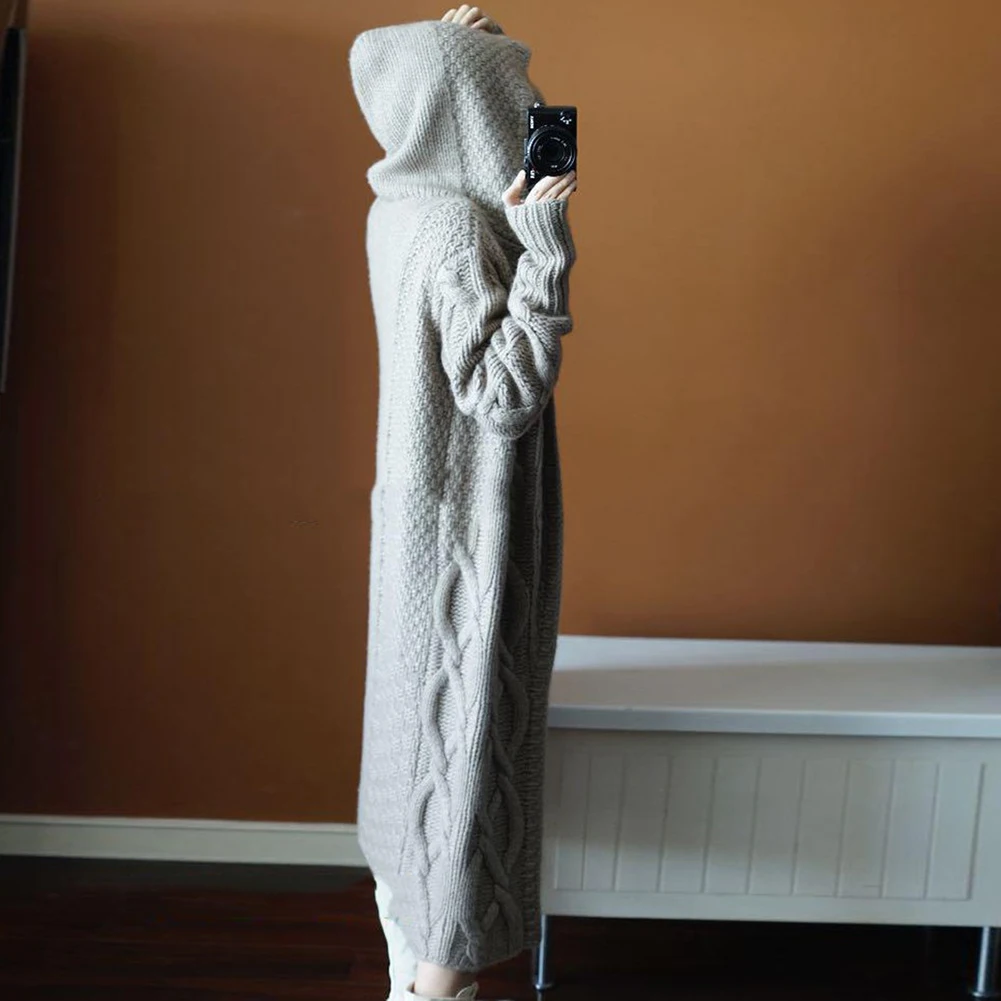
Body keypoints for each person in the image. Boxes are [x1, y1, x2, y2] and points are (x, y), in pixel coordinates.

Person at [348, 6, 578, 999]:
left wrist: (444, 55)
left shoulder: (397, 206)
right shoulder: (457, 228)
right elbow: (504, 393)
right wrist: (546, 249)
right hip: (468, 535)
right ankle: (435, 985)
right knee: (464, 773)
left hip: (418, 525)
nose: (529, 112)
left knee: (415, 756)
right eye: (507, 96)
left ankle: (409, 975)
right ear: (468, 110)